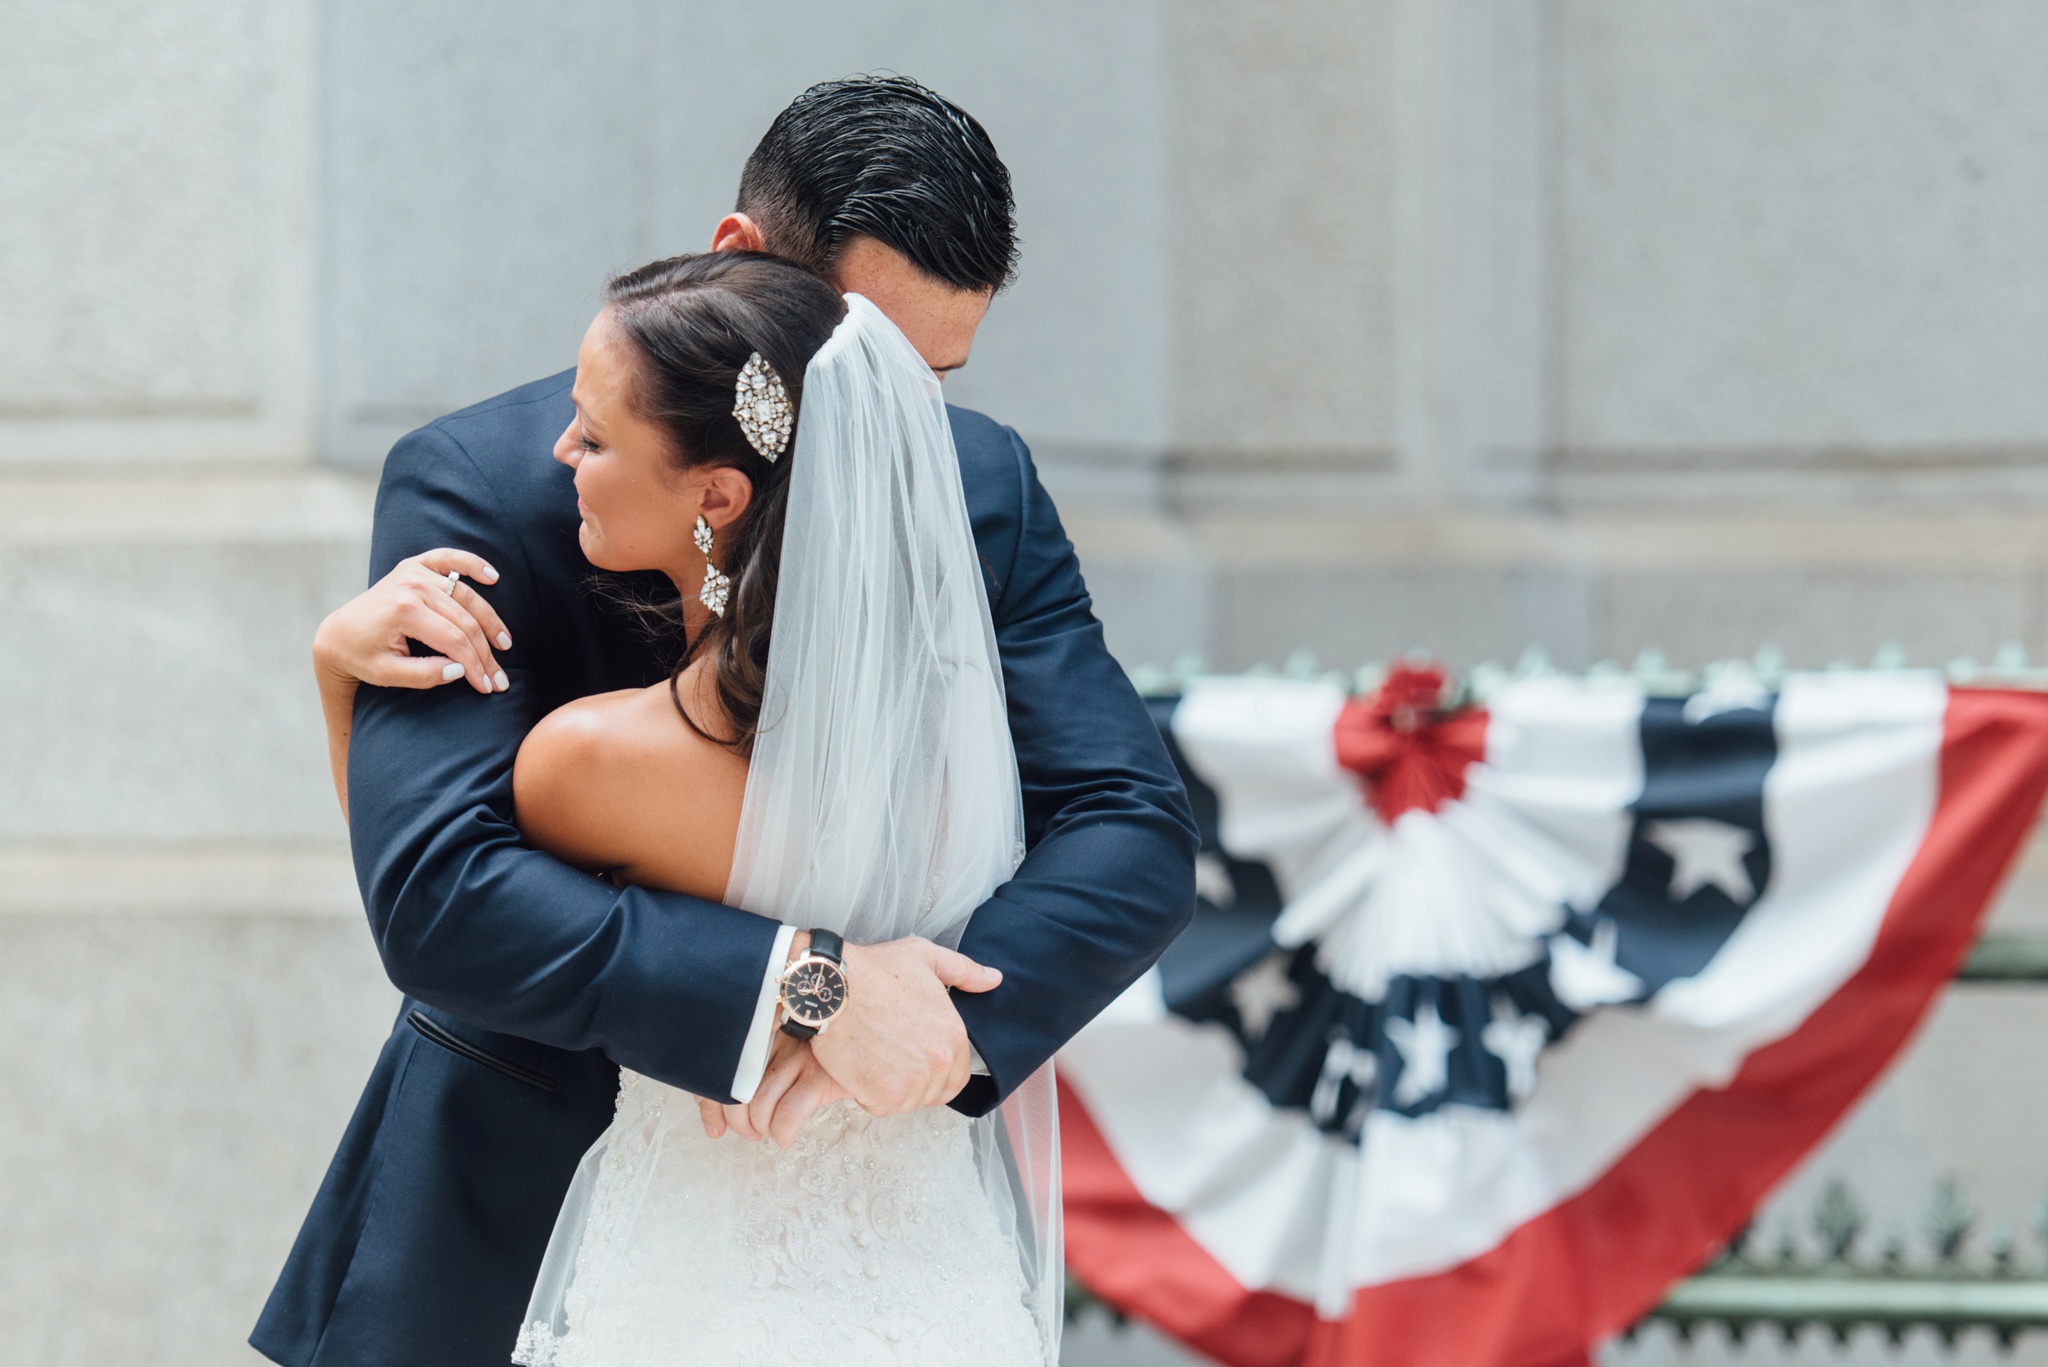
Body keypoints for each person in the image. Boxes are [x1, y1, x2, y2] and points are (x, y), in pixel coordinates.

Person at [251, 76, 1195, 1367]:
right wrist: (808, 986)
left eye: (933, 375)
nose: (896, 421)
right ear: (741, 263)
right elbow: (441, 894)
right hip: (512, 1215)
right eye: (864, 351)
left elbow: (1130, 824)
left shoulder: (977, 483)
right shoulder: (483, 486)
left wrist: (940, 1030)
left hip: (879, 1216)